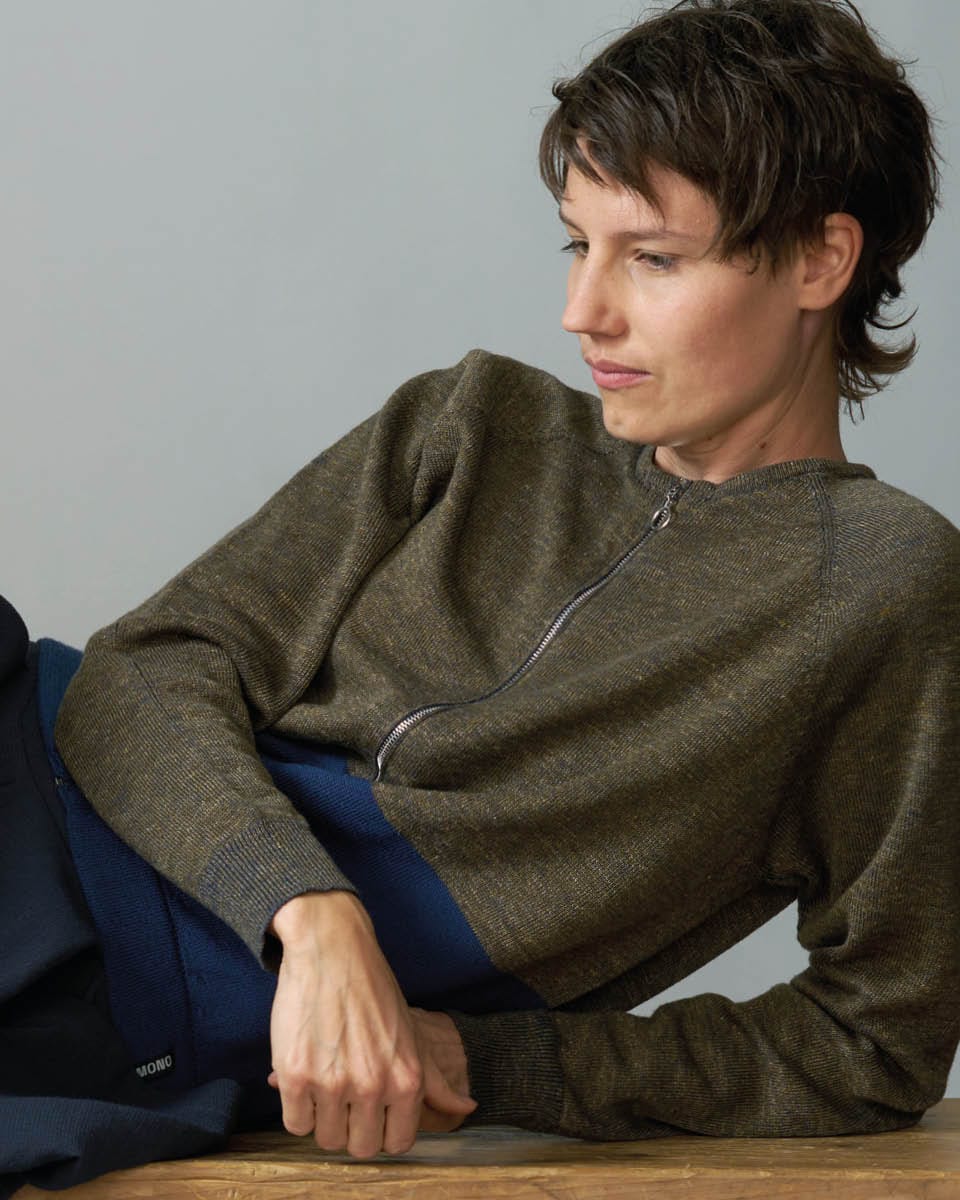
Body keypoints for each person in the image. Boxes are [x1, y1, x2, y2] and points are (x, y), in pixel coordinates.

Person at [2, 0, 958, 1191]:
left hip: (114, 1014)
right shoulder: (472, 423)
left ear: (822, 260)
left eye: (652, 258)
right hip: (32, 787)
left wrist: (488, 1061)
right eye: (578, 246)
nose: (583, 312)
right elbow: (141, 669)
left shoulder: (880, 591)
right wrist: (310, 910)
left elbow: (873, 1041)